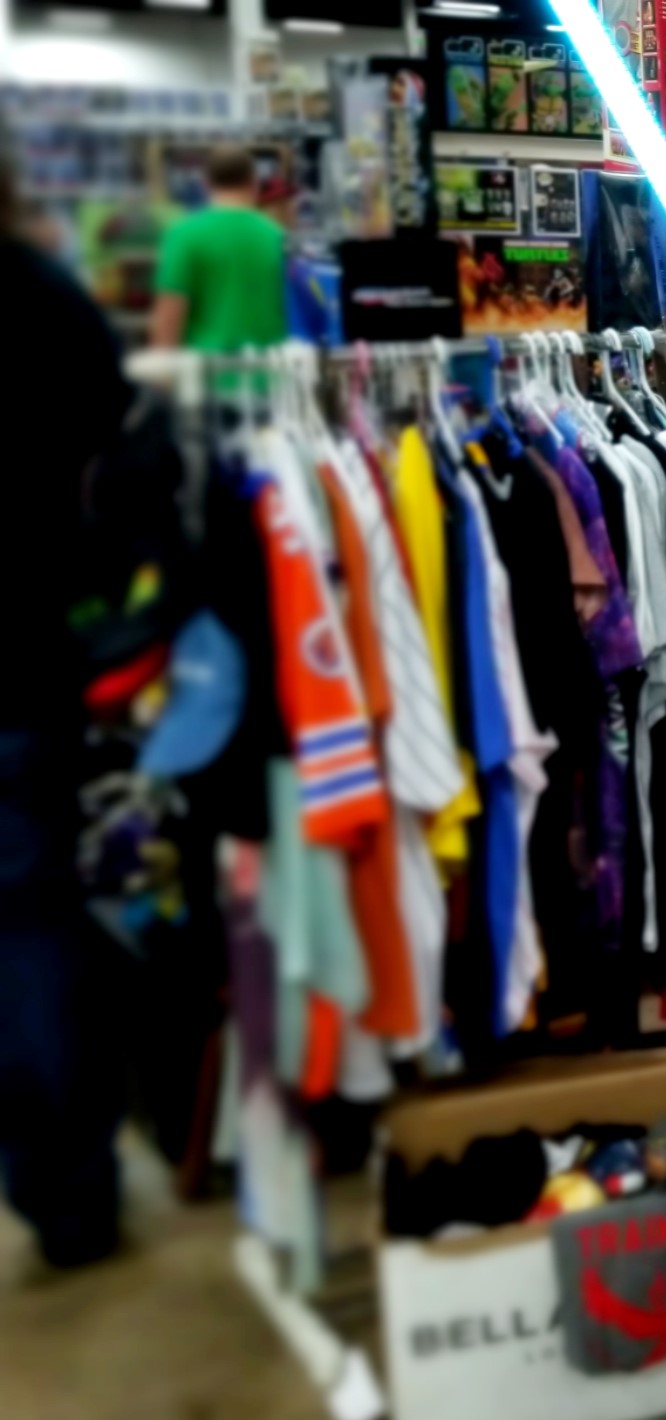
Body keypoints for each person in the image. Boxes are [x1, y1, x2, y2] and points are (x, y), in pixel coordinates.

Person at [0, 144, 135, 1268]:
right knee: (35, 923)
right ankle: (69, 1192)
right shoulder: (43, 296)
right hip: (28, 648)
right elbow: (111, 452)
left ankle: (56, 1177)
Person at [150, 145, 288, 354]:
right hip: (269, 368)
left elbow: (169, 315)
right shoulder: (279, 237)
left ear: (206, 184)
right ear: (254, 183)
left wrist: (163, 366)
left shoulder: (184, 235)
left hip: (206, 368)